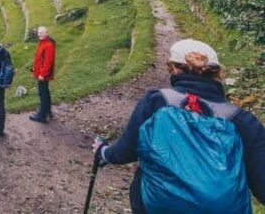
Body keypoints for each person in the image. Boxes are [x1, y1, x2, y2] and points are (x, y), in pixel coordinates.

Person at [93, 39, 265, 213]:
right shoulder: (242, 120)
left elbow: (125, 152)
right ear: (217, 74)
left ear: (174, 69)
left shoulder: (157, 101)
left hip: (158, 206)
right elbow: (261, 183)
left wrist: (103, 151)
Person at [30, 26, 55, 123]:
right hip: (40, 72)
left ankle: (42, 115)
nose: (40, 34)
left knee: (43, 93)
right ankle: (46, 111)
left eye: (42, 32)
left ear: (47, 33)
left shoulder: (48, 45)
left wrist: (43, 74)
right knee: (45, 92)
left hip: (43, 75)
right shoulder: (43, 43)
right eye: (39, 32)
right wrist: (34, 69)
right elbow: (40, 59)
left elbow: (48, 62)